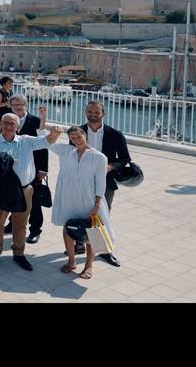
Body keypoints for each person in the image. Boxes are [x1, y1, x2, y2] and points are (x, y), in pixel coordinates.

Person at [0, 112, 52, 271]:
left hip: (24, 189)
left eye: (12, 123)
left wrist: (54, 132)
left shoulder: (26, 141)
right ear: (0, 124)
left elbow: (47, 142)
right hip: (1, 188)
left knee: (20, 224)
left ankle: (19, 254)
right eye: (5, 122)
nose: (8, 126)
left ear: (18, 127)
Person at [43, 125, 115, 280]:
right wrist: (47, 123)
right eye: (72, 138)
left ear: (85, 135)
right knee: (68, 228)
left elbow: (101, 183)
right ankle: (71, 261)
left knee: (91, 232)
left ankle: (89, 266)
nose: (76, 140)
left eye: (79, 136)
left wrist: (96, 205)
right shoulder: (66, 151)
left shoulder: (99, 157)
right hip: (69, 197)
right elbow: (46, 142)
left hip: (89, 199)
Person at [80, 100, 132, 266]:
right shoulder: (78, 131)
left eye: (96, 112)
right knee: (80, 212)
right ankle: (79, 243)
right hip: (82, 181)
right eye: (90, 111)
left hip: (105, 181)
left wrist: (111, 166)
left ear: (103, 114)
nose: (93, 115)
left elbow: (125, 159)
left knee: (102, 215)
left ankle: (103, 251)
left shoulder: (115, 134)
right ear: (85, 112)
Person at [6, 94, 47, 245]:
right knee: (13, 195)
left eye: (20, 104)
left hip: (33, 167)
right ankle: (12, 223)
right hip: (13, 167)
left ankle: (35, 230)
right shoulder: (7, 120)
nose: (18, 107)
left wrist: (43, 169)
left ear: (25, 105)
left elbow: (43, 146)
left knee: (34, 200)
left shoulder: (35, 121)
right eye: (14, 104)